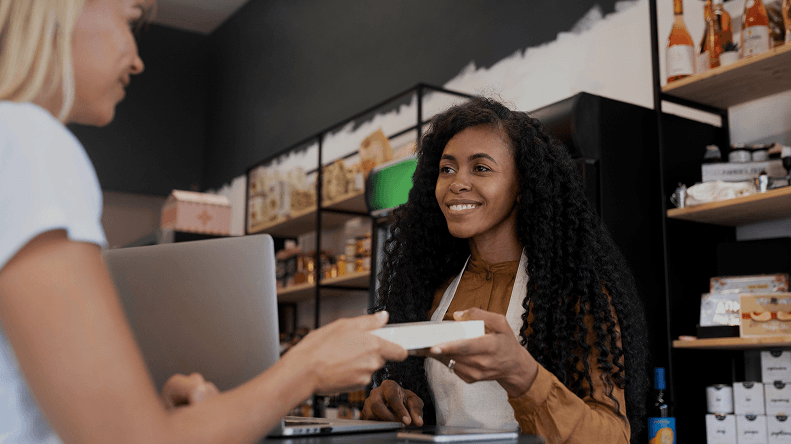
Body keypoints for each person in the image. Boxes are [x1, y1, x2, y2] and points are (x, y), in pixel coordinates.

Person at [0, 1, 407, 443]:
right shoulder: (30, 142)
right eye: (131, 20)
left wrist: (154, 409)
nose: (136, 59)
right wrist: (306, 368)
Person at [360, 97, 648, 444]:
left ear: (522, 185)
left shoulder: (574, 291)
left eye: (480, 168)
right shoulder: (433, 288)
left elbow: (614, 435)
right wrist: (393, 408)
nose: (456, 183)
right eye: (447, 169)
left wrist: (522, 374)